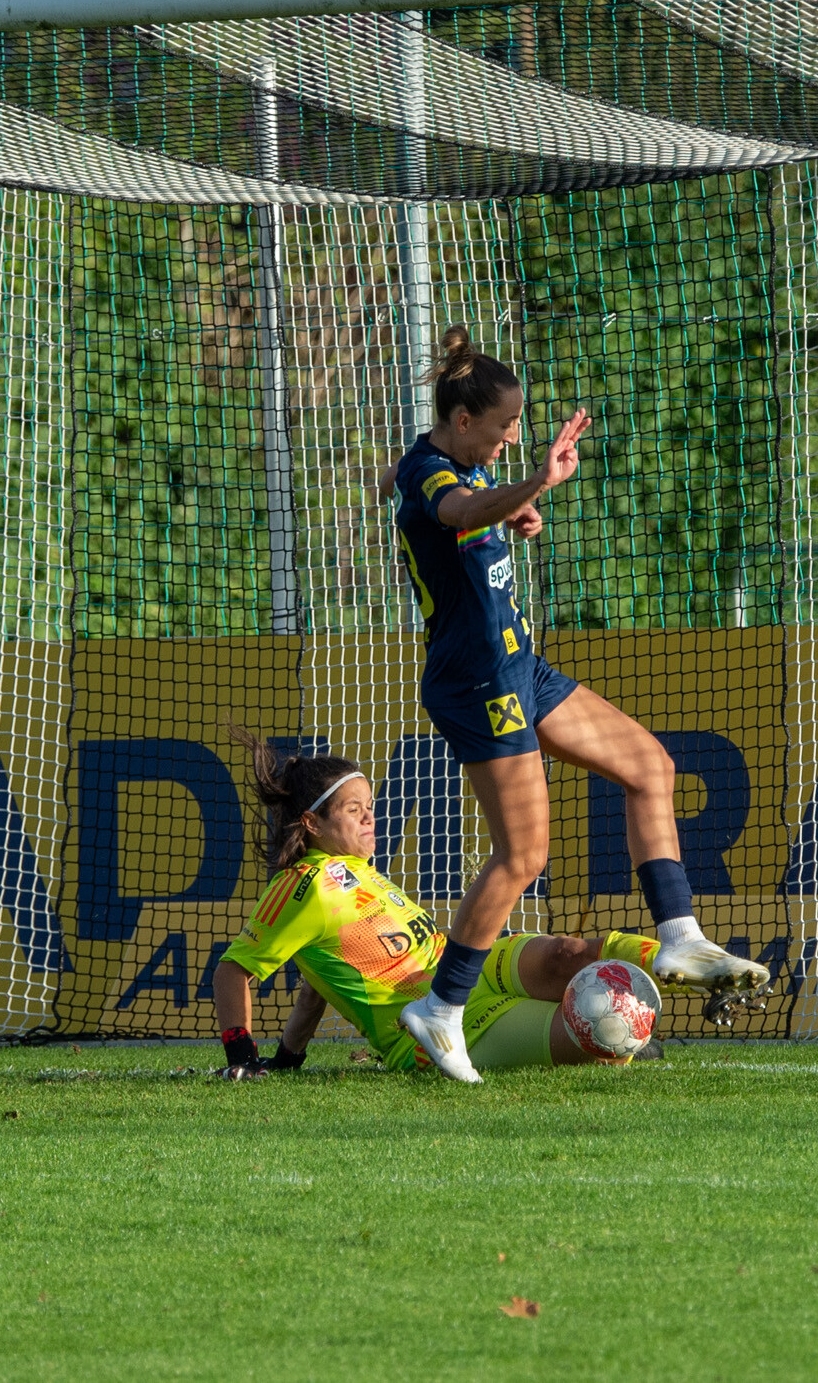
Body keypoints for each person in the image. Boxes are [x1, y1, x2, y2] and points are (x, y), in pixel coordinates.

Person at [376, 325, 768, 1083]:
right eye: (503, 426)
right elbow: (452, 510)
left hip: (520, 665)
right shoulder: (433, 472)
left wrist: (512, 505)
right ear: (464, 420)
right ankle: (441, 1007)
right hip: (478, 684)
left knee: (650, 766)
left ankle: (680, 936)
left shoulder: (461, 464)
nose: (511, 438)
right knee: (523, 856)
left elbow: (456, 503)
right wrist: (532, 487)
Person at [209, 730, 665, 1079]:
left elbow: (317, 987)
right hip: (435, 1031)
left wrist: (289, 1058)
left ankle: (693, 966)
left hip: (465, 973)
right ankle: (623, 1043)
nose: (370, 817)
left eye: (369, 805)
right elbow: (232, 971)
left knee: (568, 953)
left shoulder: (360, 869)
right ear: (312, 823)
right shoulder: (301, 887)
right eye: (353, 810)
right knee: (593, 1030)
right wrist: (242, 1058)